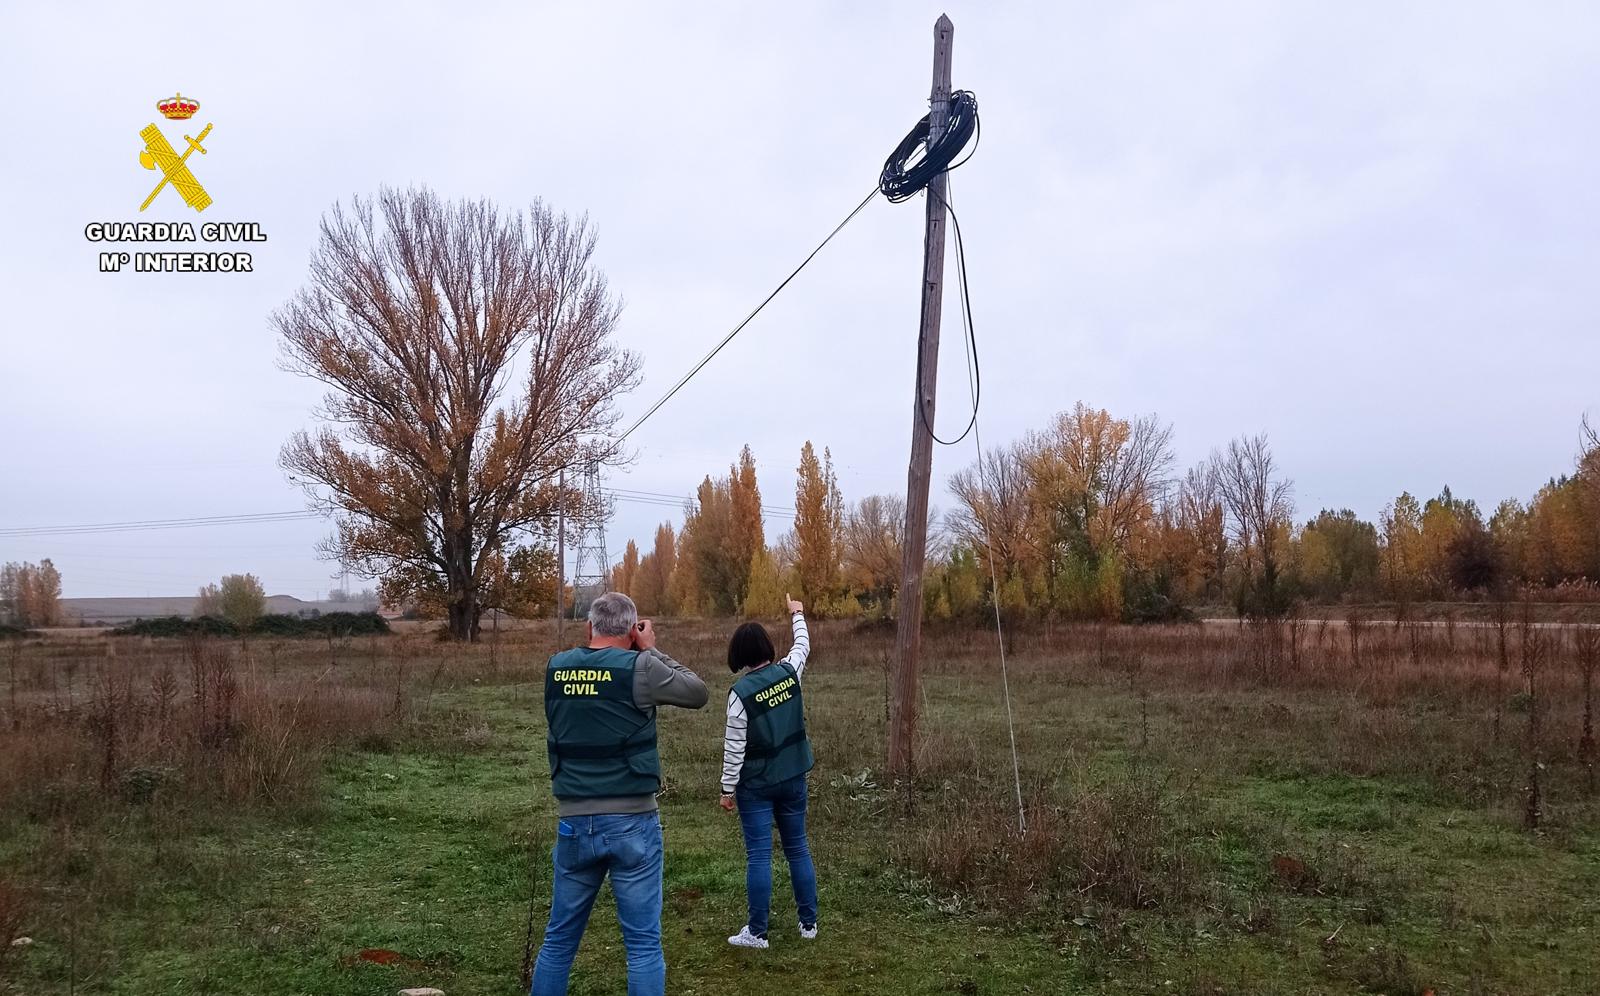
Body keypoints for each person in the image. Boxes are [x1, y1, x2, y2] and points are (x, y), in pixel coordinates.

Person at [532, 592, 708, 996]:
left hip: (575, 820)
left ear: (588, 627)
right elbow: (697, 692)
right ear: (632, 631)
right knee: (643, 945)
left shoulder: (556, 667)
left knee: (558, 942)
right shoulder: (641, 667)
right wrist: (652, 648)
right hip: (634, 822)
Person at [719, 593, 818, 949]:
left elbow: (734, 749)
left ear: (739, 656)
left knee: (759, 855)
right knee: (798, 848)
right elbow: (802, 645)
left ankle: (757, 932)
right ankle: (809, 923)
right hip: (794, 778)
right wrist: (797, 614)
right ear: (767, 647)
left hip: (757, 787)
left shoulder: (739, 694)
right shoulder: (789, 672)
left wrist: (727, 790)